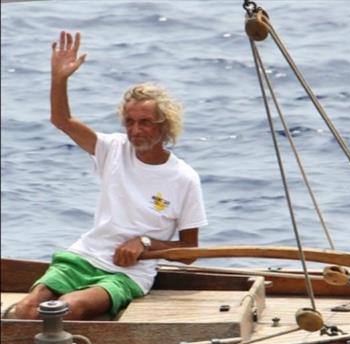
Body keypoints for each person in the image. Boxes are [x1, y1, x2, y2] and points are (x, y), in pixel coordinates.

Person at [15, 31, 207, 320]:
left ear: (165, 127)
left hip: (127, 273)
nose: (135, 130)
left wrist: (144, 243)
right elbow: (61, 120)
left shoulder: (184, 178)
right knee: (27, 310)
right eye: (129, 121)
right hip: (84, 256)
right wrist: (59, 79)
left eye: (145, 122)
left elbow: (190, 251)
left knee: (67, 308)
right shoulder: (112, 149)